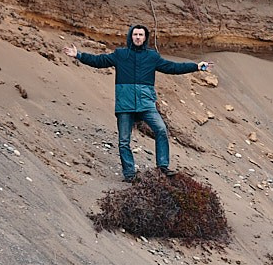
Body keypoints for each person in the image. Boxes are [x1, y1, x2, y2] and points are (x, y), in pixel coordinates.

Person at [75, 23, 211, 180]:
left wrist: (196, 67)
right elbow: (99, 61)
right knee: (124, 141)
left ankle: (163, 166)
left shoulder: (152, 57)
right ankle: (129, 174)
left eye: (141, 35)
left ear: (145, 38)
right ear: (130, 36)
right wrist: (79, 55)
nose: (138, 37)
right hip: (125, 104)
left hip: (146, 103)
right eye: (135, 34)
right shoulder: (120, 54)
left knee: (161, 129)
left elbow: (172, 67)